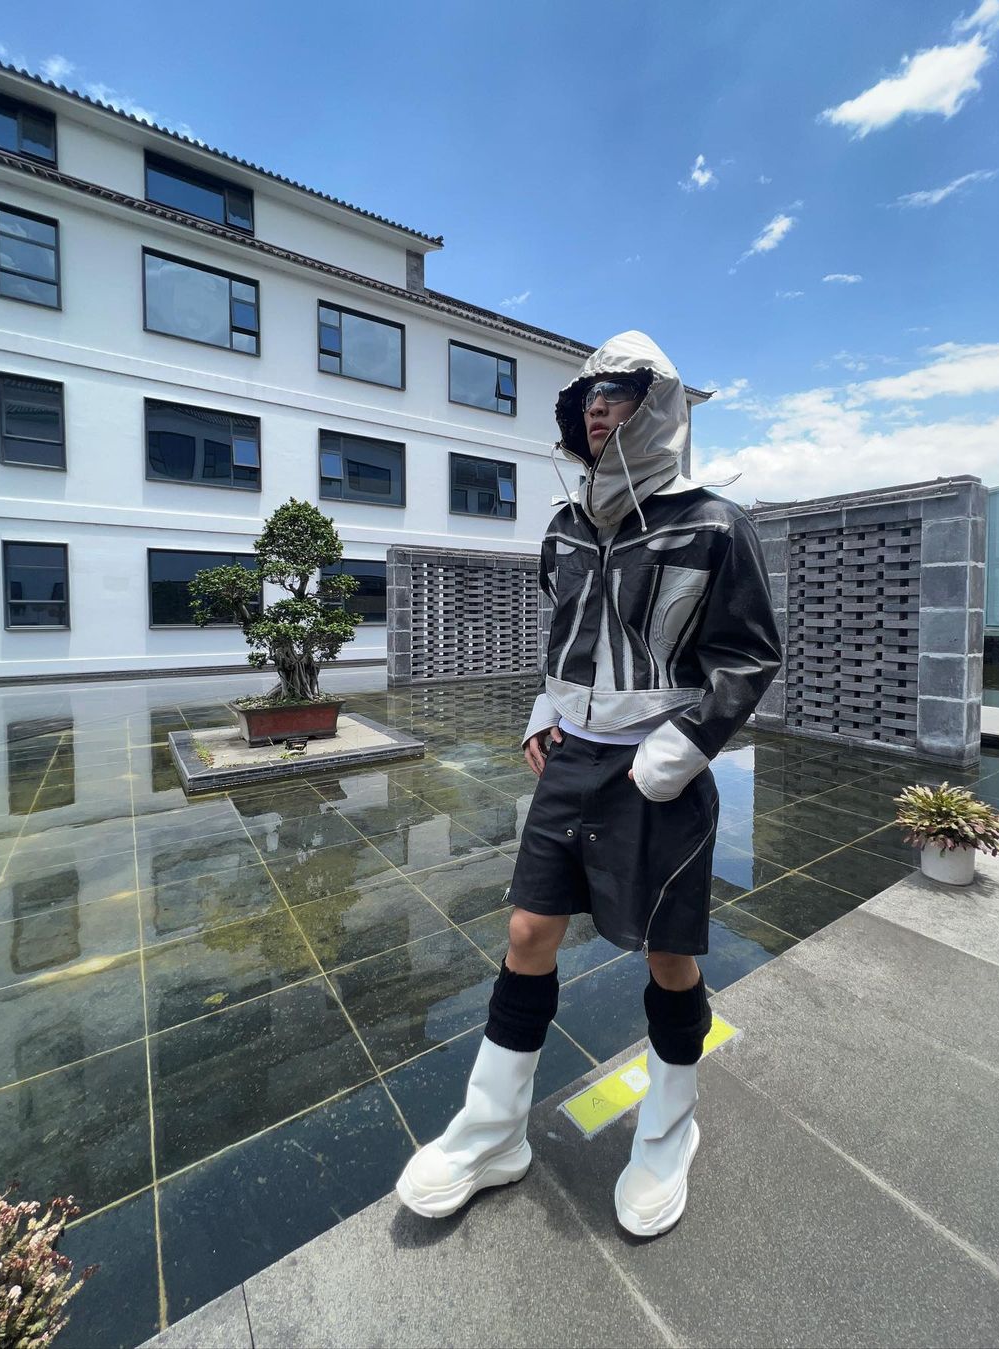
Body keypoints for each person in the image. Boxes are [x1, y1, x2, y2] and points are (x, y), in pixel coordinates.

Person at [396, 331, 782, 1236]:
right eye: (589, 397)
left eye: (620, 394)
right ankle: (493, 1134)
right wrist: (544, 712)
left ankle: (668, 1133)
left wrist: (681, 747)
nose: (599, 408)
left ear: (660, 407)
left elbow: (749, 655)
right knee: (528, 931)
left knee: (667, 954)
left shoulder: (717, 524)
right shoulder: (565, 526)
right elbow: (566, 637)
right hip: (571, 758)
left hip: (660, 771)